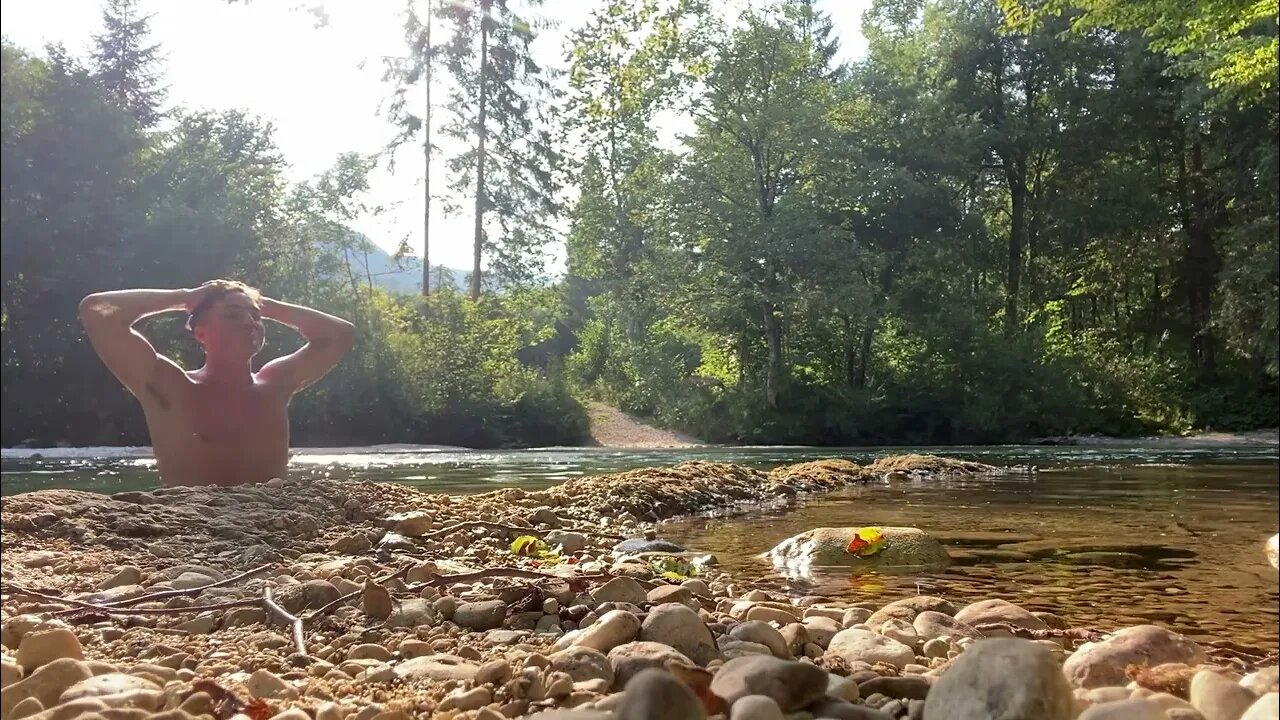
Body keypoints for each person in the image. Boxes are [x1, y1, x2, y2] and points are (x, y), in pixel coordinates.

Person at [78, 280, 355, 487]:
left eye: (256, 317)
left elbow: (340, 334)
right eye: (232, 314)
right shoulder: (171, 386)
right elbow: (97, 311)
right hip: (195, 528)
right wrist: (186, 298)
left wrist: (261, 303)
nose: (250, 322)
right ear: (200, 333)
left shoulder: (275, 385)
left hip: (271, 522)